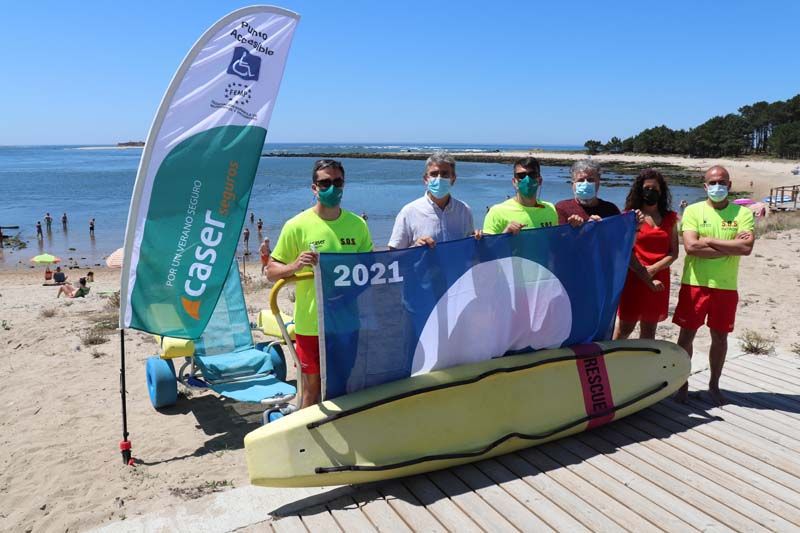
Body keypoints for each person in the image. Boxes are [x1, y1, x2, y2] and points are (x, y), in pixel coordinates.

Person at [268, 159, 373, 408]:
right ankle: (306, 442)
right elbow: (270, 271)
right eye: (325, 182)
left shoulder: (358, 225)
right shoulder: (296, 226)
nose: (332, 188)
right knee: (311, 391)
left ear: (344, 185)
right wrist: (294, 266)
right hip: (311, 325)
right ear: (314, 188)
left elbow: (370, 270)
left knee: (341, 387)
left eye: (337, 182)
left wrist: (347, 296)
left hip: (347, 322)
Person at [673, 166, 755, 406]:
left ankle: (714, 386)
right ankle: (682, 384)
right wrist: (728, 246)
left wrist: (707, 240)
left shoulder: (742, 213)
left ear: (729, 185)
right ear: (705, 186)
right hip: (694, 283)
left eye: (721, 182)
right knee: (686, 336)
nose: (717, 186)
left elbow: (746, 248)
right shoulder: (693, 211)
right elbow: (691, 247)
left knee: (720, 337)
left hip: (726, 285)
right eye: (712, 182)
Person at [614, 169, 679, 340]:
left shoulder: (670, 218)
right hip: (634, 277)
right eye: (647, 188)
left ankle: (643, 365)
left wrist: (654, 269)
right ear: (639, 191)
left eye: (655, 189)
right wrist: (645, 274)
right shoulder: (630, 217)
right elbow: (625, 251)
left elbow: (674, 253)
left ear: (662, 191)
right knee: (625, 328)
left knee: (649, 330)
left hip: (659, 278)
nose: (651, 192)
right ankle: (611, 361)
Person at [389, 151, 478, 248]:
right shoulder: (409, 212)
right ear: (426, 179)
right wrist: (415, 248)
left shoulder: (464, 210)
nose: (439, 178)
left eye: (445, 174)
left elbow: (470, 249)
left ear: (453, 179)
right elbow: (393, 253)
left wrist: (477, 239)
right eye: (434, 174)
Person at [483, 157, 557, 234]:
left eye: (532, 174)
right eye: (521, 175)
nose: (527, 179)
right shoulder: (497, 212)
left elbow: (555, 242)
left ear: (540, 181)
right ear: (514, 182)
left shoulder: (550, 209)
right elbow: (488, 245)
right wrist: (505, 234)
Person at [556, 160, 620, 225]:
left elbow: (619, 233)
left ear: (598, 183)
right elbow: (557, 234)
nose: (585, 184)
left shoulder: (610, 209)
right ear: (573, 184)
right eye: (580, 180)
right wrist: (574, 228)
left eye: (590, 180)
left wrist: (601, 226)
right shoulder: (561, 208)